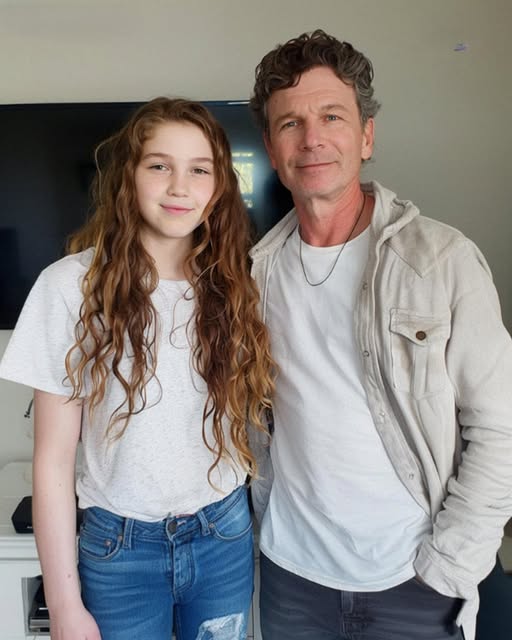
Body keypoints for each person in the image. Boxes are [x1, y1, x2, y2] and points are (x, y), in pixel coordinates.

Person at [247, 29, 512, 640]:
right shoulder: (254, 271)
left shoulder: (442, 260)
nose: (312, 139)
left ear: (366, 136)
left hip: (415, 583)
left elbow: (499, 426)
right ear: (271, 148)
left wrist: (451, 565)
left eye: (331, 116)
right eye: (290, 123)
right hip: (291, 579)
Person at [0, 97, 274, 640]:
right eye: (159, 165)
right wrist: (63, 604)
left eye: (200, 170)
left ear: (220, 185)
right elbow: (53, 461)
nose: (180, 187)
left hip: (222, 536)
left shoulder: (239, 283)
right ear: (129, 174)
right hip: (119, 550)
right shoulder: (70, 288)